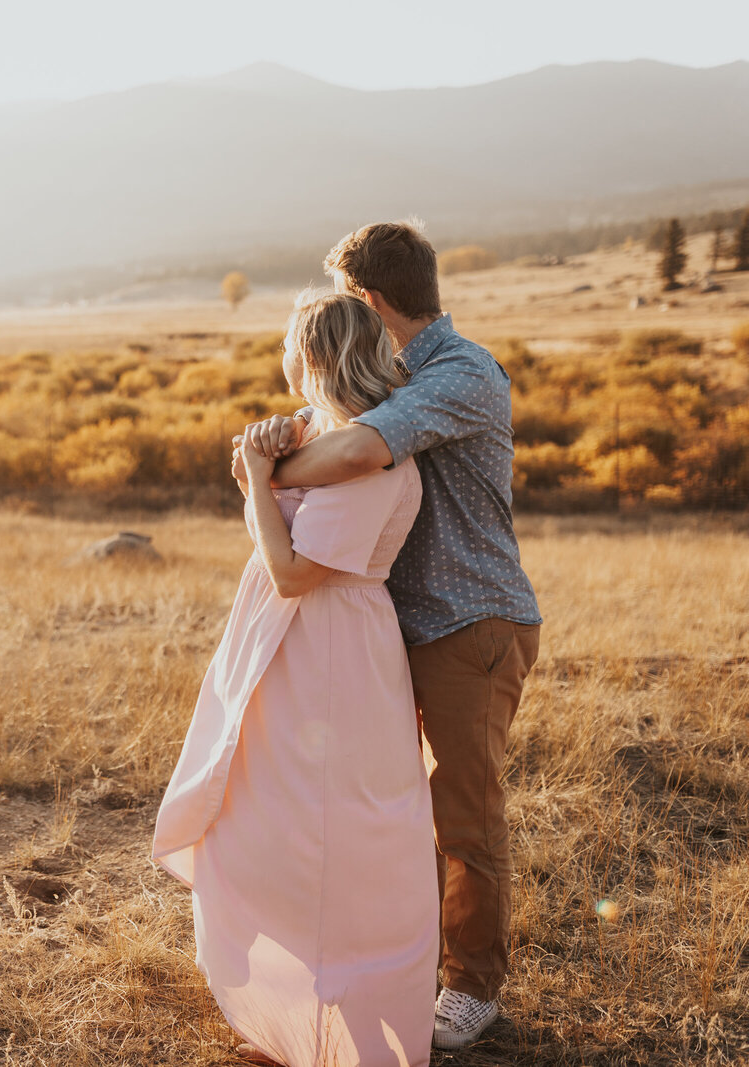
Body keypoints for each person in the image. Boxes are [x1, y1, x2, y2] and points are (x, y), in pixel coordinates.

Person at [247, 221, 542, 1050]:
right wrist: (283, 437)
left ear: (370, 300)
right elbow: (336, 433)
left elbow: (360, 454)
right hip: (396, 632)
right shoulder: (392, 374)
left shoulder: (461, 372)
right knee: (396, 811)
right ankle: (400, 960)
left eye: (346, 301)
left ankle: (472, 984)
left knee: (463, 811)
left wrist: (259, 474)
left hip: (469, 623)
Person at [152, 290, 439, 1067]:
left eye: (288, 346)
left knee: (340, 828)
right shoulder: (316, 433)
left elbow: (291, 570)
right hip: (280, 647)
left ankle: (355, 1006)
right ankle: (285, 989)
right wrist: (264, 460)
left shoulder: (372, 453)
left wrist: (255, 479)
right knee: (260, 804)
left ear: (311, 357)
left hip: (333, 648)